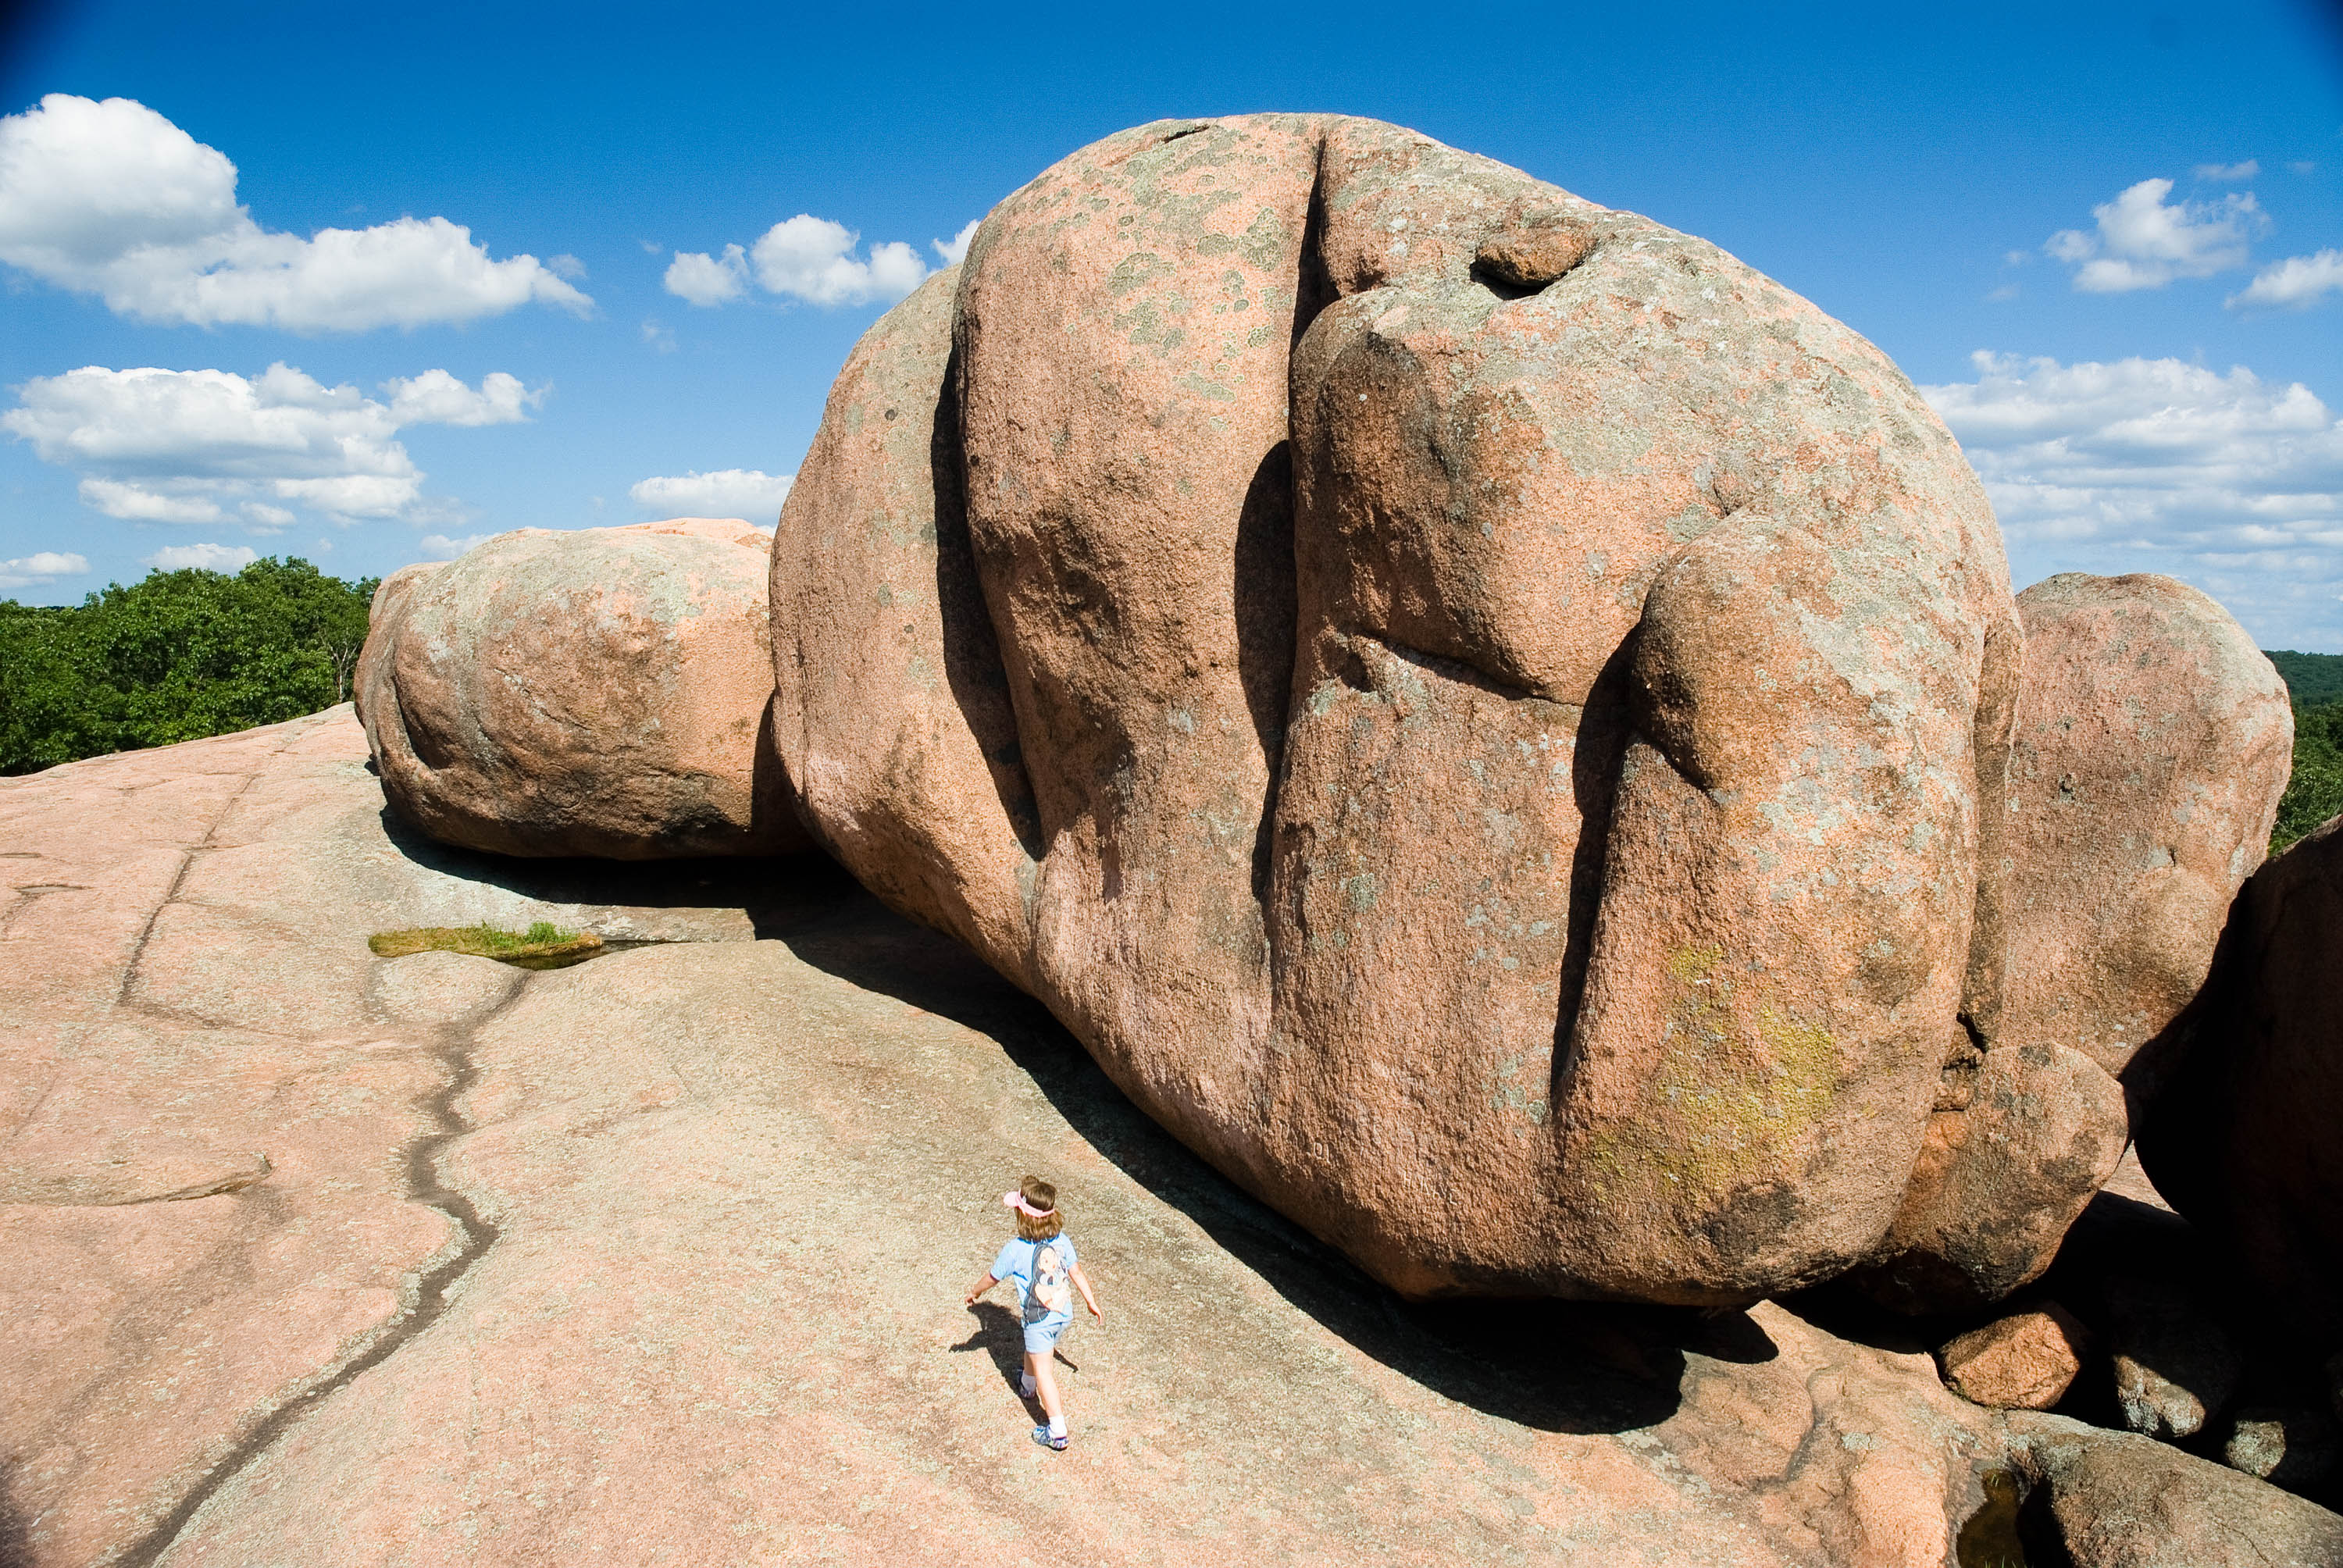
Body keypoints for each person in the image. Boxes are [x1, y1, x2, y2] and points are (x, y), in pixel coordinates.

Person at [964, 1175, 1101, 1451]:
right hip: (1063, 1314)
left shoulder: (1015, 1249)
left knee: (1045, 1372)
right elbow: (1076, 1272)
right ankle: (1027, 1385)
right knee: (1036, 1349)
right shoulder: (1062, 1241)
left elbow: (992, 1278)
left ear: (1022, 1216)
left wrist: (975, 1293)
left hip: (1040, 1320)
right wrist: (1091, 1301)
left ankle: (1057, 1431)